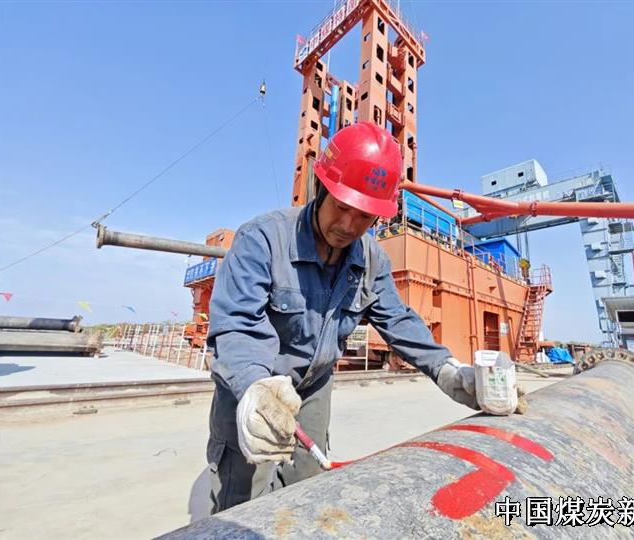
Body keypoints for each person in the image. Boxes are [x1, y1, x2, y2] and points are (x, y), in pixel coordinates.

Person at [206, 122, 491, 514]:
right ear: (320, 187)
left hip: (313, 386)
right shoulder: (263, 240)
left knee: (307, 482)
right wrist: (254, 386)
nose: (348, 227)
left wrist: (447, 369)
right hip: (256, 383)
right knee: (240, 495)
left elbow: (398, 319)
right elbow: (238, 323)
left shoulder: (372, 260)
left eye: (364, 217)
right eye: (341, 208)